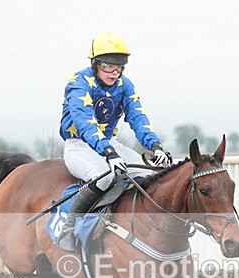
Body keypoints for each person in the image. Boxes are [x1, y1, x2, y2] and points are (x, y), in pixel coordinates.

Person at [57, 32, 170, 252]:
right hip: (80, 145)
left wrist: (155, 146)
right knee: (105, 176)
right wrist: (108, 152)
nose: (114, 72)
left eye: (119, 67)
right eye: (108, 66)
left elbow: (137, 117)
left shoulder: (125, 85)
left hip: (110, 144)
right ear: (95, 64)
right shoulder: (78, 83)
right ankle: (68, 229)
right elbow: (85, 123)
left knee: (149, 176)